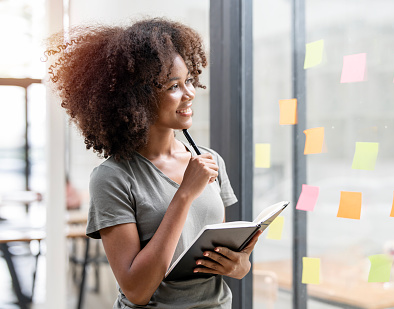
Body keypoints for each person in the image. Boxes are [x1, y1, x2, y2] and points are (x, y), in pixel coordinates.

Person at [45, 18, 261, 308]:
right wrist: (184, 194)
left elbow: (231, 263)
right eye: (174, 85)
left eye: (189, 81)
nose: (189, 94)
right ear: (137, 98)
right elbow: (136, 290)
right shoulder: (113, 178)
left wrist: (237, 264)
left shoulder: (208, 160)